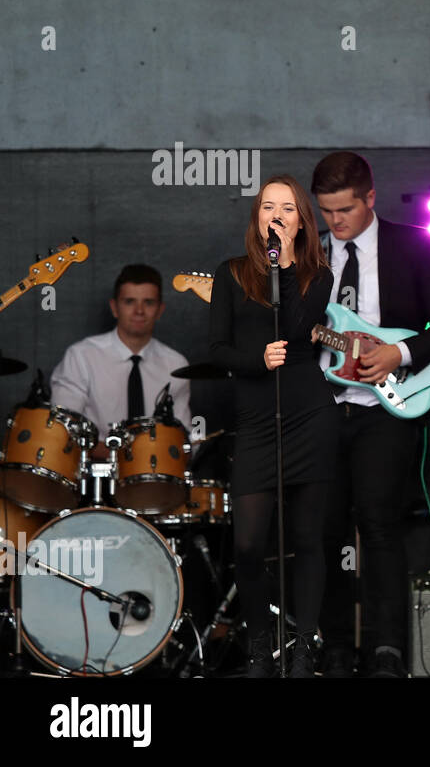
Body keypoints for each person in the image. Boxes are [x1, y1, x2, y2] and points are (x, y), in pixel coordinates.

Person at [312, 152, 430, 678]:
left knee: (381, 526)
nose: (336, 222)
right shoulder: (306, 254)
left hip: (388, 405)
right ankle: (334, 646)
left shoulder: (413, 244)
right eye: (327, 211)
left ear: (370, 198)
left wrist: (396, 355)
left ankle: (387, 649)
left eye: (346, 210)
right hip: (325, 409)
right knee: (326, 529)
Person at [209, 174, 337, 677]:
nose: (277, 216)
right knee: (248, 543)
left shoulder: (315, 275)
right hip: (256, 419)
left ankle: (305, 648)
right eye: (268, 208)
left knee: (308, 538)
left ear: (301, 222)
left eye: (288, 209)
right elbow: (217, 349)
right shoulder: (231, 273)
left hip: (310, 414)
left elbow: (300, 327)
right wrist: (257, 359)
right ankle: (260, 647)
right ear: (256, 217)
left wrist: (283, 265)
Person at [51, 264, 192, 451]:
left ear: (160, 310)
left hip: (153, 470)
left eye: (148, 302)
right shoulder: (81, 356)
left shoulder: (176, 364)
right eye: (129, 301)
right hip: (94, 472)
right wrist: (120, 456)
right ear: (114, 307)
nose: (139, 311)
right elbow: (63, 430)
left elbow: (182, 437)